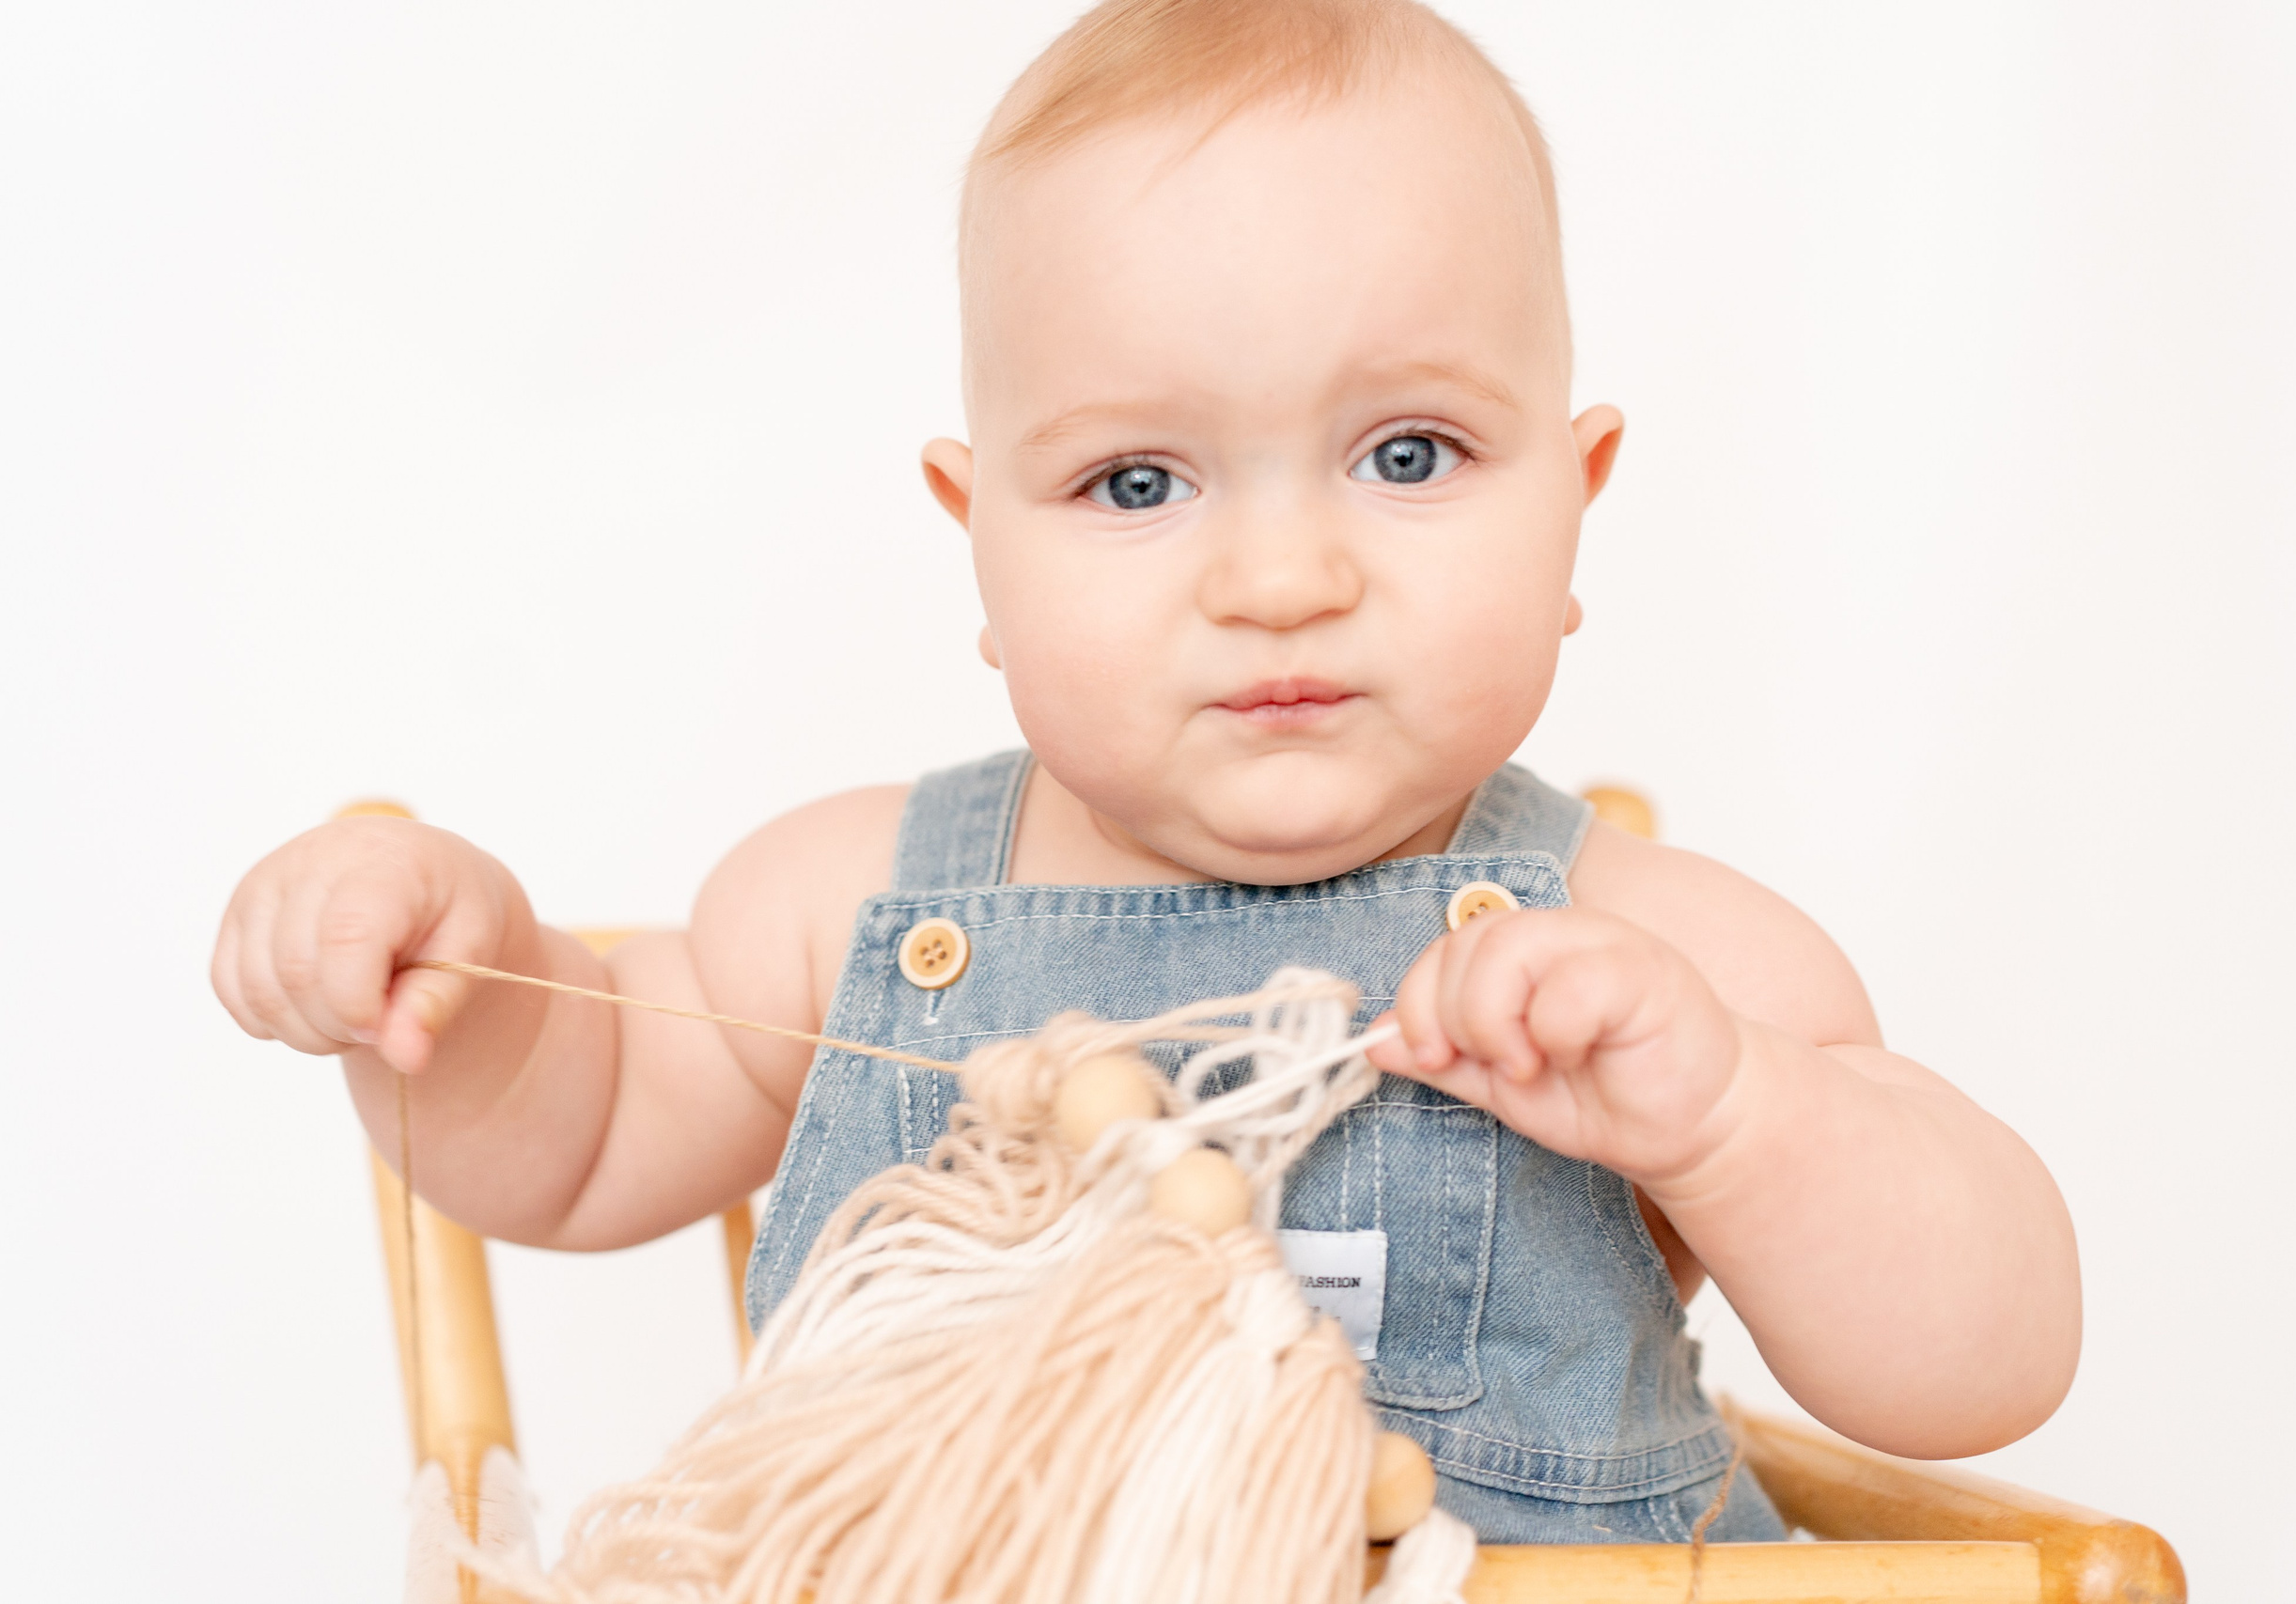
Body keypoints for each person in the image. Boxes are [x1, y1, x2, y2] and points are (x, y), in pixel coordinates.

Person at [211, 0, 2080, 1545]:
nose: (1280, 580)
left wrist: (1744, 1121)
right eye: (1134, 483)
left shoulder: (1655, 954)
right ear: (981, 542)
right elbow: (588, 1128)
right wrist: (461, 993)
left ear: (1572, 502)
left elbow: (1987, 1354)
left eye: (1409, 455)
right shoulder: (850, 904)